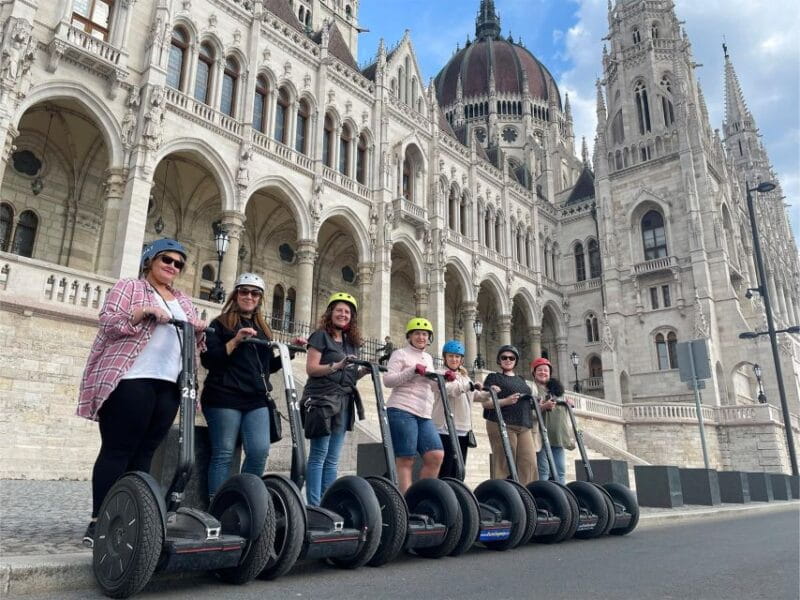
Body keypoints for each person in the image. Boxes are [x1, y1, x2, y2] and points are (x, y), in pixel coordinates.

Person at [76, 238, 206, 548]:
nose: (173, 266)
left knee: (145, 452)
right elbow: (109, 323)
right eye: (167, 260)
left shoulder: (184, 302)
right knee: (118, 450)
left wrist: (199, 331)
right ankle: (98, 521)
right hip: (130, 378)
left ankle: (129, 517)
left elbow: (195, 346)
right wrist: (143, 312)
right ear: (150, 260)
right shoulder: (129, 288)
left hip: (169, 383)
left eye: (178, 263)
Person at [200, 273, 306, 499]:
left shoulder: (263, 329)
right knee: (224, 453)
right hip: (223, 395)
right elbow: (209, 360)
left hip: (255, 398)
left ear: (260, 299)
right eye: (244, 291)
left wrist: (291, 352)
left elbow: (267, 367)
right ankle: (217, 503)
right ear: (236, 294)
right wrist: (235, 341)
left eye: (255, 293)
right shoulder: (220, 323)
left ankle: (243, 498)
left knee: (259, 452)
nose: (249, 296)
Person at [302, 292, 366, 506]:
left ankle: (327, 505)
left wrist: (363, 371)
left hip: (344, 402)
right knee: (319, 455)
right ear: (330, 313)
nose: (343, 314)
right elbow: (311, 369)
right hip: (322, 401)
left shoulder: (351, 343)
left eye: (347, 312)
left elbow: (349, 375)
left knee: (332, 459)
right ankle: (313, 505)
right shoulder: (321, 336)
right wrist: (336, 365)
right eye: (339, 310)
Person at [384, 317, 443, 493]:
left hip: (424, 413)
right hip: (401, 409)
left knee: (436, 455)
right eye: (417, 333)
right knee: (406, 458)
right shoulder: (400, 354)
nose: (421, 337)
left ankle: (419, 495)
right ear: (409, 336)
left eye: (425, 334)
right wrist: (412, 371)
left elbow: (431, 385)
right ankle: (406, 503)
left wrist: (442, 378)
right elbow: (388, 380)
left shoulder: (428, 358)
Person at [432, 339, 500, 479]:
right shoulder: (439, 374)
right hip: (445, 427)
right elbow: (449, 389)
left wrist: (489, 392)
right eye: (451, 356)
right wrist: (469, 386)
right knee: (446, 467)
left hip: (463, 429)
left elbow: (474, 396)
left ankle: (457, 496)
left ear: (461, 360)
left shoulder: (464, 376)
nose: (454, 359)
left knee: (459, 468)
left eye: (457, 357)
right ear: (445, 357)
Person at [482, 344, 539, 484]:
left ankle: (526, 497)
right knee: (504, 463)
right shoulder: (493, 377)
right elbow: (486, 403)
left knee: (529, 463)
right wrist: (505, 401)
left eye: (511, 358)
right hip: (501, 423)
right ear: (499, 360)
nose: (508, 360)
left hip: (524, 425)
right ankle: (502, 495)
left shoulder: (521, 380)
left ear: (516, 360)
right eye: (504, 357)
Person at [532, 357, 573, 484]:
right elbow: (530, 411)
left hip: (557, 436)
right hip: (541, 436)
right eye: (540, 370)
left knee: (560, 470)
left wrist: (568, 403)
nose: (543, 372)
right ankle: (543, 495)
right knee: (543, 470)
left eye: (546, 370)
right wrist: (543, 406)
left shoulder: (557, 391)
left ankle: (562, 498)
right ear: (534, 372)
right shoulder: (532, 389)